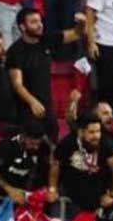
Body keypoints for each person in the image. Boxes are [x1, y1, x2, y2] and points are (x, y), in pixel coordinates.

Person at [7, 9, 82, 139]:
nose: (39, 25)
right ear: (22, 27)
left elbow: (76, 33)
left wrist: (81, 23)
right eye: (34, 22)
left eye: (40, 21)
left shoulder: (46, 40)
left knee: (53, 141)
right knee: (30, 144)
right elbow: (17, 84)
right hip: (26, 108)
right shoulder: (15, 51)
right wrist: (32, 102)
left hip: (47, 105)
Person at [49, 111, 113, 216]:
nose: (96, 136)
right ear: (81, 132)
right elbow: (55, 164)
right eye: (91, 132)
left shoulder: (108, 145)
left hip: (97, 198)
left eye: (98, 131)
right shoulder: (67, 143)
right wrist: (53, 188)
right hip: (69, 195)